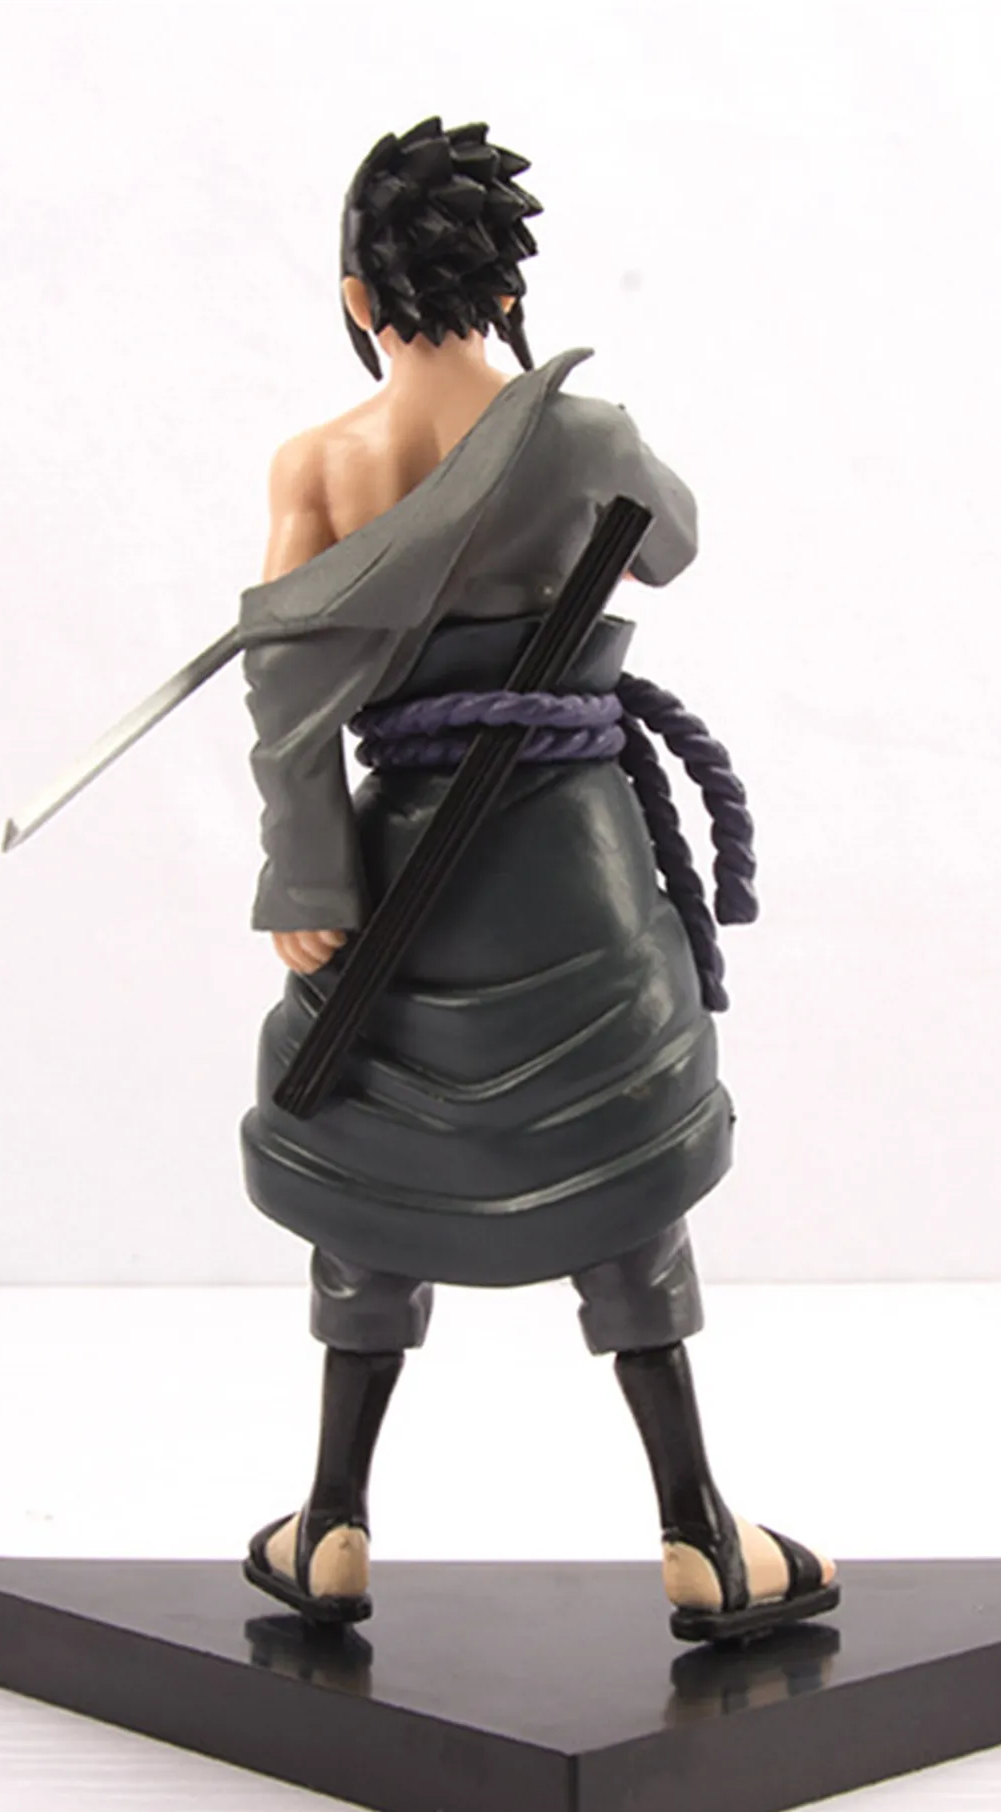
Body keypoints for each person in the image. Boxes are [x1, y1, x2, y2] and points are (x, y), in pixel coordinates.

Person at [237, 119, 836, 1643]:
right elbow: (674, 546)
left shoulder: (323, 465)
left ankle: (332, 1528)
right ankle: (700, 1534)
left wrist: (308, 877)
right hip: (571, 857)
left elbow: (292, 706)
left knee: (370, 1174)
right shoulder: (588, 439)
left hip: (399, 867)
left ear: (359, 299)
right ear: (508, 286)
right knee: (617, 1166)